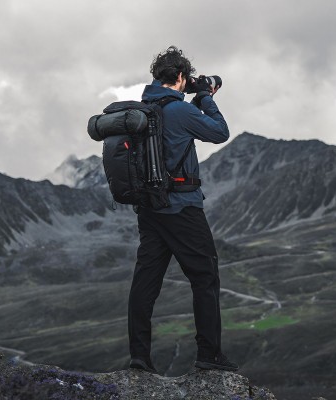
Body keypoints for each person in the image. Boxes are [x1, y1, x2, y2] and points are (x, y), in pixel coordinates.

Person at [128, 46, 239, 374]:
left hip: (149, 208)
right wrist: (205, 96)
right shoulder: (180, 111)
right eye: (186, 78)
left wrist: (192, 94)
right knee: (205, 277)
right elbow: (220, 132)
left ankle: (139, 357)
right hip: (181, 207)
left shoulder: (141, 109)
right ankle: (209, 354)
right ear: (180, 76)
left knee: (146, 280)